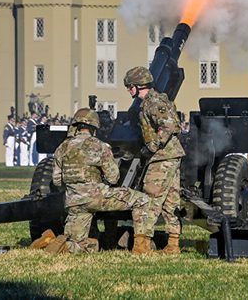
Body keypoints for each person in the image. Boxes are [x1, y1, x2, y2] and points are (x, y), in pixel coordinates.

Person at [42, 108, 150, 254]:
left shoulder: (62, 148)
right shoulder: (99, 145)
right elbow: (113, 178)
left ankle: (58, 244)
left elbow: (56, 181)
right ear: (94, 128)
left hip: (74, 203)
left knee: (78, 243)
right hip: (97, 198)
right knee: (142, 200)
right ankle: (141, 247)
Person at [124, 66, 185, 255]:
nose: (128, 90)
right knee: (170, 201)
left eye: (129, 86)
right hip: (170, 155)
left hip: (163, 156)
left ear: (137, 86)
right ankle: (173, 244)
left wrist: (151, 147)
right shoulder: (153, 101)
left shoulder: (153, 102)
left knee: (149, 197)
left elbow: (169, 125)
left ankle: (142, 245)